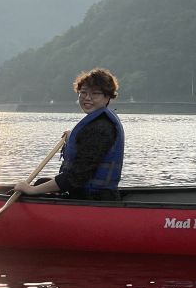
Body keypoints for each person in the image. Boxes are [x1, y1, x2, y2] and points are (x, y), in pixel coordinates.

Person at [14, 68, 124, 200]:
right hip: (85, 193)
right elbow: (88, 142)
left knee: (36, 188)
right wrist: (74, 137)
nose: (87, 98)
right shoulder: (98, 124)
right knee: (41, 182)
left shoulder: (101, 128)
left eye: (95, 94)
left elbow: (76, 177)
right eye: (83, 92)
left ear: (107, 97)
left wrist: (33, 190)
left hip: (93, 198)